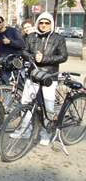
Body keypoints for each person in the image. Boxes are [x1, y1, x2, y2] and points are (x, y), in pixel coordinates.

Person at [11, 12, 68, 146]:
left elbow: (63, 56)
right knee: (26, 103)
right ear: (37, 23)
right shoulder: (31, 36)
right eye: (41, 22)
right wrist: (33, 58)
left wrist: (44, 59)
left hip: (49, 76)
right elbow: (24, 51)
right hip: (33, 75)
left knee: (48, 106)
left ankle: (46, 134)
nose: (43, 25)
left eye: (46, 23)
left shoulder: (58, 38)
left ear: (51, 24)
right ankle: (25, 131)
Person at [0, 16, 25, 84]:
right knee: (4, 87)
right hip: (4, 64)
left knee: (21, 84)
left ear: (3, 22)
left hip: (16, 62)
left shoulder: (13, 31)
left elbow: (22, 44)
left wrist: (10, 42)